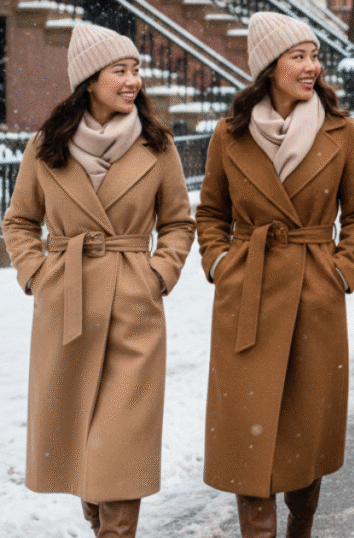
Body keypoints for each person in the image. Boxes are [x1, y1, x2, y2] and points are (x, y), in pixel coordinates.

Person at [1, 23, 194, 537]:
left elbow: (178, 222)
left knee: (122, 449)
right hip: (67, 306)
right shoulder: (47, 145)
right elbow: (19, 221)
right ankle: (96, 511)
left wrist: (158, 274)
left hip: (134, 308)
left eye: (136, 70)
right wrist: (37, 275)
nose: (133, 81)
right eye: (120, 71)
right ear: (89, 80)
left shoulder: (157, 144)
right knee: (83, 450)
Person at [194, 12, 354, 538]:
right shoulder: (230, 134)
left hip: (314, 295)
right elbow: (210, 213)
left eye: (314, 56)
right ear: (269, 67)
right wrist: (220, 263)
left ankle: (301, 525)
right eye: (298, 56)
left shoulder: (341, 131)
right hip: (247, 296)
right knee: (247, 441)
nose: (312, 67)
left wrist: (340, 271)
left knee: (304, 435)